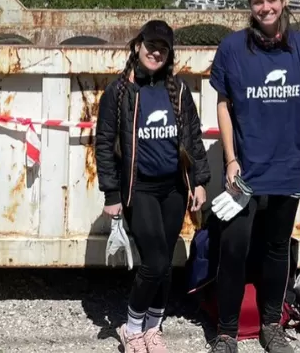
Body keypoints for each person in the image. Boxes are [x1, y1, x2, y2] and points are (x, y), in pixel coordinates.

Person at [206, 0, 300, 353]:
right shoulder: (232, 48)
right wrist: (230, 159)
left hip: (289, 167)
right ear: (250, 7)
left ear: (284, 0)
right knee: (234, 248)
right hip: (246, 173)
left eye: (272, 0)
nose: (266, 8)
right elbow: (223, 105)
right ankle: (226, 332)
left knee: (277, 248)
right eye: (258, 2)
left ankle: (271, 325)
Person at [96, 19, 211, 353]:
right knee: (155, 262)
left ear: (169, 54)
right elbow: (104, 144)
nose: (155, 52)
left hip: (174, 189)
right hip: (139, 190)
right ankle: (131, 328)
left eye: (163, 48)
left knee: (165, 263)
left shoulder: (178, 91)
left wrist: (200, 181)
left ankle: (153, 328)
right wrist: (112, 193)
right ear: (138, 45)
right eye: (150, 46)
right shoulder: (119, 93)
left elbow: (193, 137)